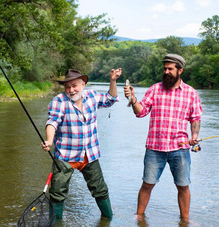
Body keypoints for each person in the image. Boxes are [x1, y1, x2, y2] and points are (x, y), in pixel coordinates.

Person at [123, 54, 203, 222]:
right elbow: (141, 112)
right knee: (147, 184)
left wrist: (194, 136)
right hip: (155, 147)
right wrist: (133, 99)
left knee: (183, 186)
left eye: (170, 69)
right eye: (165, 68)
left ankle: (185, 220)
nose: (166, 72)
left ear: (180, 71)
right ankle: (139, 217)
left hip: (180, 148)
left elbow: (195, 118)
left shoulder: (191, 93)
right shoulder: (154, 89)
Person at [41, 68, 122, 219]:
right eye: (67, 87)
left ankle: (109, 218)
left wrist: (113, 81)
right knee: (57, 193)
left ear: (83, 84)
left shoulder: (92, 95)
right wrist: (49, 140)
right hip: (65, 156)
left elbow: (110, 98)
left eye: (74, 86)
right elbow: (52, 122)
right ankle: (56, 222)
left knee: (100, 189)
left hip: (89, 154)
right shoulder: (59, 101)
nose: (71, 90)